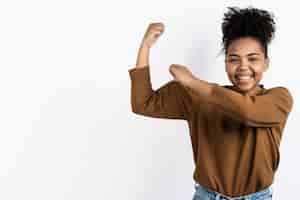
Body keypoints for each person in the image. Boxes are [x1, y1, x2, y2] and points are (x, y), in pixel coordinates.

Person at [128, 6, 293, 200]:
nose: (243, 67)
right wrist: (145, 47)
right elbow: (143, 103)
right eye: (233, 59)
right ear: (225, 64)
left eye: (253, 59)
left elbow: (249, 112)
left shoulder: (279, 98)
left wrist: (192, 82)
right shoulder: (198, 97)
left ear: (266, 63)